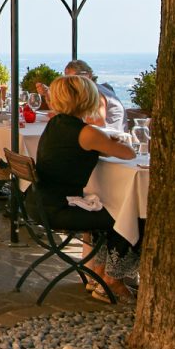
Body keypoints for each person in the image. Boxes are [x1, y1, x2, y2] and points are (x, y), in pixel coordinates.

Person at [30, 76, 140, 301]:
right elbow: (129, 153)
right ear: (87, 98)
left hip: (38, 203)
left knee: (111, 208)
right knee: (131, 218)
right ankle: (112, 280)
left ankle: (98, 274)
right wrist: (110, 144)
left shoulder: (55, 124)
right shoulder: (86, 133)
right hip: (59, 210)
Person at [37, 60, 125, 131]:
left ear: (89, 75)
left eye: (75, 77)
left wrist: (66, 118)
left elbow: (98, 122)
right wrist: (48, 95)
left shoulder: (96, 93)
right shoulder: (92, 91)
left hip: (111, 142)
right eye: (68, 78)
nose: (70, 82)